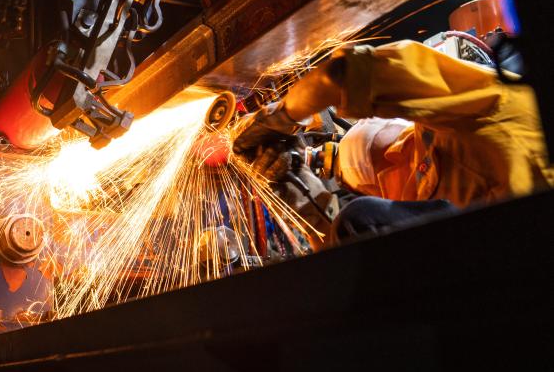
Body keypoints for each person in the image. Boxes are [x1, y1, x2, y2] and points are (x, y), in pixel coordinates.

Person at [233, 39, 553, 241]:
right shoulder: (485, 111)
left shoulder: (501, 107)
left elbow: (340, 76)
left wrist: (277, 118)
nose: (391, 157)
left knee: (359, 219)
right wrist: (299, 192)